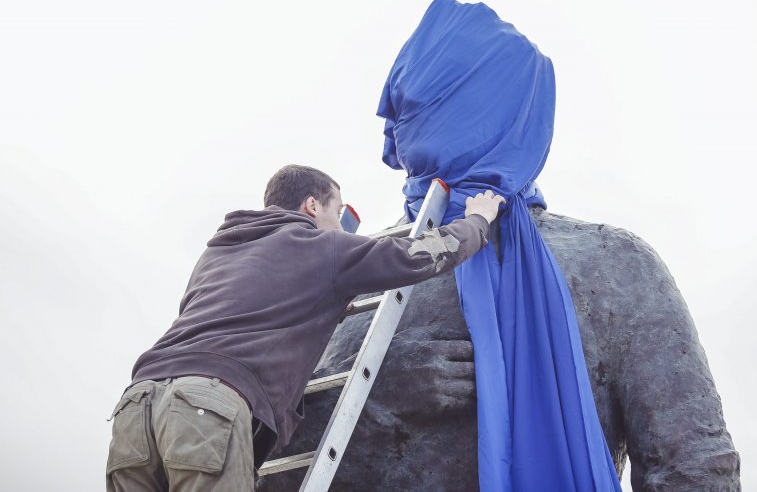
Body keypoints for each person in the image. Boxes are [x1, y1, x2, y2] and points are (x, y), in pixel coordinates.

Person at [105, 164, 505, 491]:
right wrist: (478, 221)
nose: (340, 226)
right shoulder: (322, 247)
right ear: (313, 205)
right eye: (337, 212)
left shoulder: (217, 253)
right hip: (208, 407)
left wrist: (322, 301)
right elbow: (419, 254)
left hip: (137, 407)